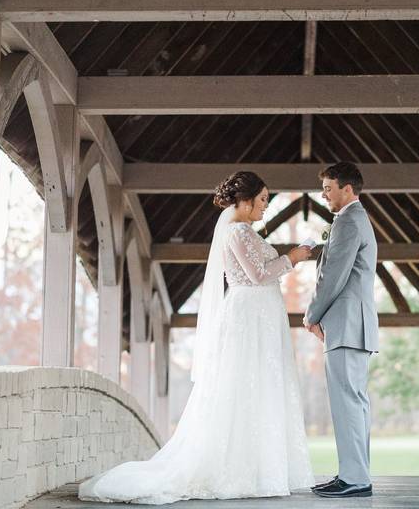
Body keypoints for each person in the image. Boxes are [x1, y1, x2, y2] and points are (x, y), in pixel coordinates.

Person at [78, 171, 315, 504]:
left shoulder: (246, 230)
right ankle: (238, 469)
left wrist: (289, 259)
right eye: (262, 200)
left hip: (261, 318)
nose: (265, 206)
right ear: (245, 201)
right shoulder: (236, 232)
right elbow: (257, 275)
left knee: (260, 386)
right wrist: (292, 258)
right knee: (240, 385)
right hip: (249, 318)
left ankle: (263, 467)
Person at [303, 161, 379, 499]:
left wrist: (310, 315)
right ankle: (354, 474)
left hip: (346, 325)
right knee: (355, 402)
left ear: (347, 189)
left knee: (347, 402)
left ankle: (354, 478)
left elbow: (333, 275)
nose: (324, 194)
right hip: (354, 326)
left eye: (329, 189)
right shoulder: (353, 220)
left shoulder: (349, 221)